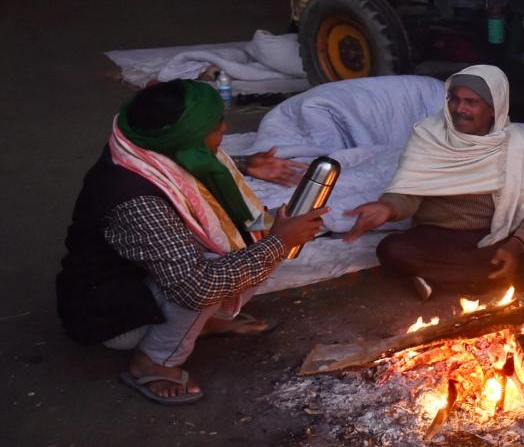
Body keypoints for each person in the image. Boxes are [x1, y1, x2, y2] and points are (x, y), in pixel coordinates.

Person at [56, 80, 328, 405]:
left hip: (143, 278)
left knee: (255, 229)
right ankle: (154, 360)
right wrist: (278, 243)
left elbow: (192, 174)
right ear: (184, 139)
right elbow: (195, 287)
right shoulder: (136, 200)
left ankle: (204, 325)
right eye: (215, 126)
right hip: (112, 314)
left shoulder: (144, 148)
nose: (225, 128)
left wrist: (245, 166)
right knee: (238, 256)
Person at [343, 65, 524, 299]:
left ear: (494, 110)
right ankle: (505, 280)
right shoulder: (429, 136)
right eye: (454, 99)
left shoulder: (518, 144)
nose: (459, 108)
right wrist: (388, 207)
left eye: (471, 102)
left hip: (496, 234)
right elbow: (408, 191)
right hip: (439, 236)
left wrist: (515, 246)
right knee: (392, 249)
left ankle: (443, 281)